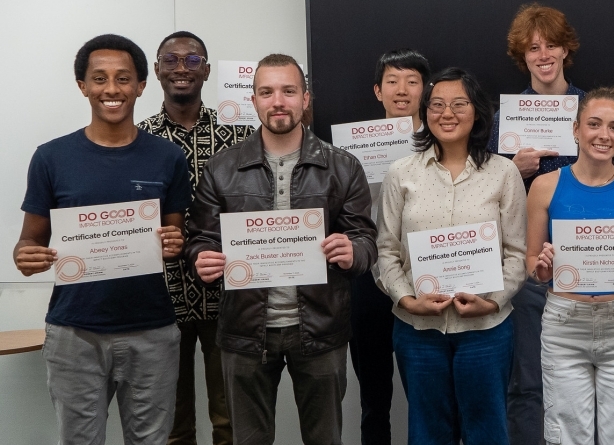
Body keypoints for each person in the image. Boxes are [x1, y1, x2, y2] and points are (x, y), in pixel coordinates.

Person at [184, 53, 377, 445]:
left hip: (321, 328)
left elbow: (365, 238)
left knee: (325, 439)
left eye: (289, 91)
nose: (278, 101)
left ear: (305, 99)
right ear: (253, 100)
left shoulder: (343, 166)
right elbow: (200, 238)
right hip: (244, 331)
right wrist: (198, 259)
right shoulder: (221, 168)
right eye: (267, 92)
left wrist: (354, 250)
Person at [14, 34, 189, 444]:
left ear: (142, 86)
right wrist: (27, 257)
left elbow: (175, 235)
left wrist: (174, 244)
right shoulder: (51, 157)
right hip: (75, 333)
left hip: (152, 331)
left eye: (124, 78)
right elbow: (28, 243)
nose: (112, 89)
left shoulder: (168, 158)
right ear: (83, 86)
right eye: (100, 79)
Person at [375, 67, 527, 444]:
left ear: (477, 111)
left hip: (485, 330)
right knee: (428, 432)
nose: (448, 113)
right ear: (425, 113)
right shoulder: (400, 172)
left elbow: (517, 253)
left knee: (488, 431)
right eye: (437, 105)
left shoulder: (504, 173)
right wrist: (407, 300)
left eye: (459, 104)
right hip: (418, 330)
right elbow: (386, 250)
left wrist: (491, 303)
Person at [527, 87, 614, 445]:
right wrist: (541, 269)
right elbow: (531, 261)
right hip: (564, 324)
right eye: (594, 124)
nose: (604, 135)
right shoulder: (543, 186)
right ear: (576, 130)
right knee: (566, 435)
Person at [137, 30, 254, 445]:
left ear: (206, 69)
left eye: (192, 60)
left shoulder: (241, 136)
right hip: (161, 297)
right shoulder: (137, 139)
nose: (181, 68)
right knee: (171, 420)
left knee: (229, 420)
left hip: (229, 293)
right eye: (171, 60)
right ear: (155, 70)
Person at [486, 4, 585, 442]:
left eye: (551, 45)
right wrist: (512, 169)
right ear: (522, 57)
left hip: (590, 260)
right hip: (525, 266)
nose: (543, 54)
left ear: (566, 49)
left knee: (581, 381)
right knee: (526, 380)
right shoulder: (501, 121)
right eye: (533, 48)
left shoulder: (593, 111)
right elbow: (481, 195)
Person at [347, 48, 430, 445]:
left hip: (425, 274)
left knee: (426, 394)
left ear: (424, 90)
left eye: (412, 81)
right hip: (367, 276)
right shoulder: (351, 149)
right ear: (377, 91)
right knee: (373, 396)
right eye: (393, 82)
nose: (402, 90)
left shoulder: (441, 147)